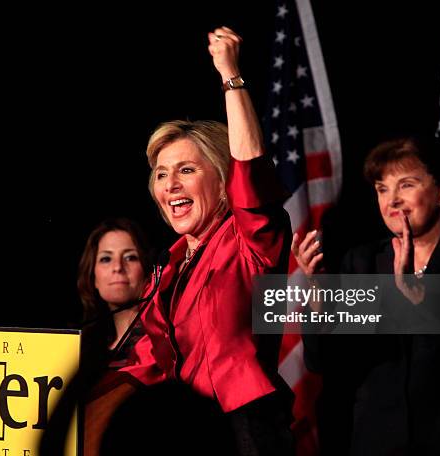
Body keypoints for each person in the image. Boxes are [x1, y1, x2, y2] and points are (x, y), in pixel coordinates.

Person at [116, 26, 295, 455]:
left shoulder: (251, 240)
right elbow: (145, 362)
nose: (170, 185)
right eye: (161, 174)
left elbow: (250, 167)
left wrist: (230, 74)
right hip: (184, 430)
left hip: (245, 429)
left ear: (222, 181)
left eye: (187, 170)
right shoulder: (168, 265)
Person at [292, 136, 440, 455]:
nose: (392, 201)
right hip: (377, 440)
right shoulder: (361, 263)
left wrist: (422, 300)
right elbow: (325, 361)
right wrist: (319, 293)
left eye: (406, 185)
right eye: (382, 188)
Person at [77, 217, 152, 369]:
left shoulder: (161, 343)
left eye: (130, 257)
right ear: (93, 277)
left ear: (147, 270)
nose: (118, 267)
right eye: (106, 259)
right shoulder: (84, 348)